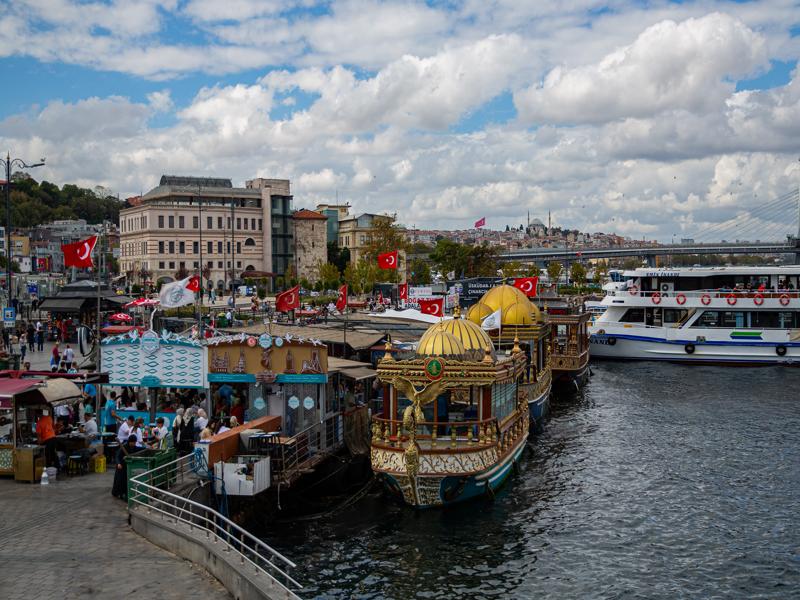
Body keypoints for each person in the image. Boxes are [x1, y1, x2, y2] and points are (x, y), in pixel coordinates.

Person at [112, 435, 139, 500]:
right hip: (121, 466)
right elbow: (117, 456)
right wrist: (118, 463)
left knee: (126, 481)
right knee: (119, 481)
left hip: (128, 466)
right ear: (130, 442)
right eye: (133, 442)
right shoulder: (124, 447)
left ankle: (125, 494)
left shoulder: (134, 447)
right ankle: (118, 493)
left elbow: (139, 449)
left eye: (135, 442)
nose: (134, 444)